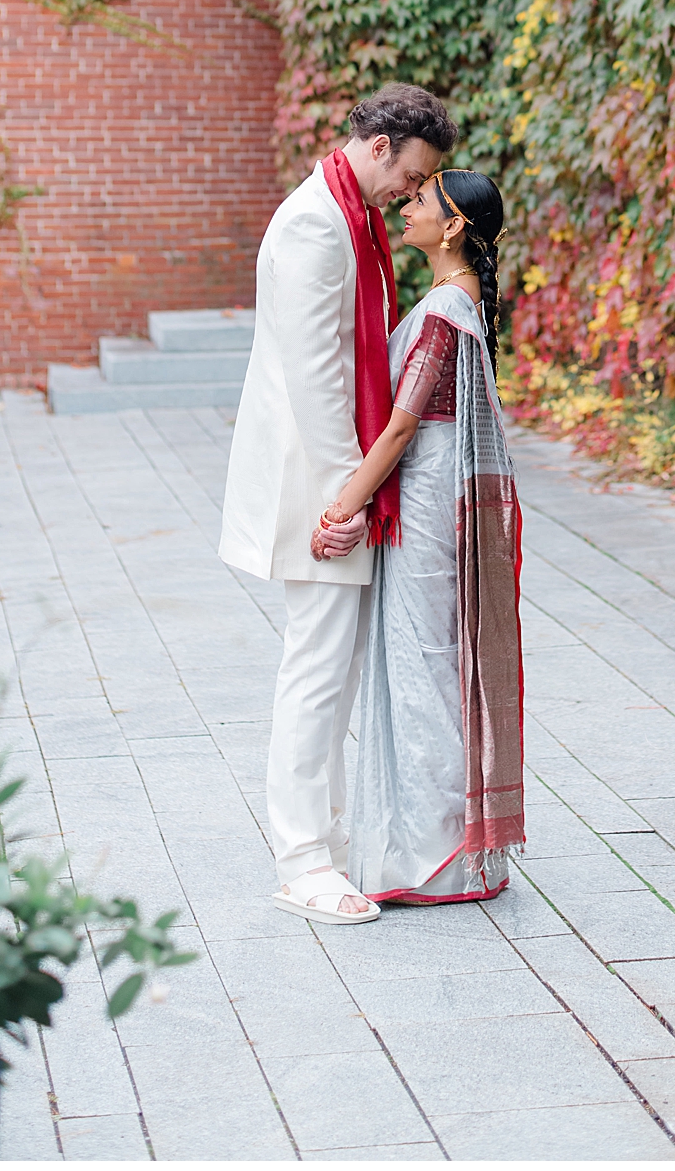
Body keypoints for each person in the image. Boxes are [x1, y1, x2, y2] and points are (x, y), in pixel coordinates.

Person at [218, 82, 456, 927]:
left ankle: (324, 834)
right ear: (384, 144)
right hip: (318, 486)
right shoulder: (321, 224)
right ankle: (302, 859)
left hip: (332, 480)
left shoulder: (342, 210)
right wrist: (345, 502)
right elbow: (320, 380)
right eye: (414, 175)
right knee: (317, 671)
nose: (411, 195)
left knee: (330, 667)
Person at [332, 169, 526, 905]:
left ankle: (436, 859)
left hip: (427, 494)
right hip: (440, 493)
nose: (405, 206)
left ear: (451, 228)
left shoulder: (446, 309)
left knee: (423, 668)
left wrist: (344, 507)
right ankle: (446, 849)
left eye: (420, 200)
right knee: (436, 664)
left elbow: (403, 425)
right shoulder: (457, 302)